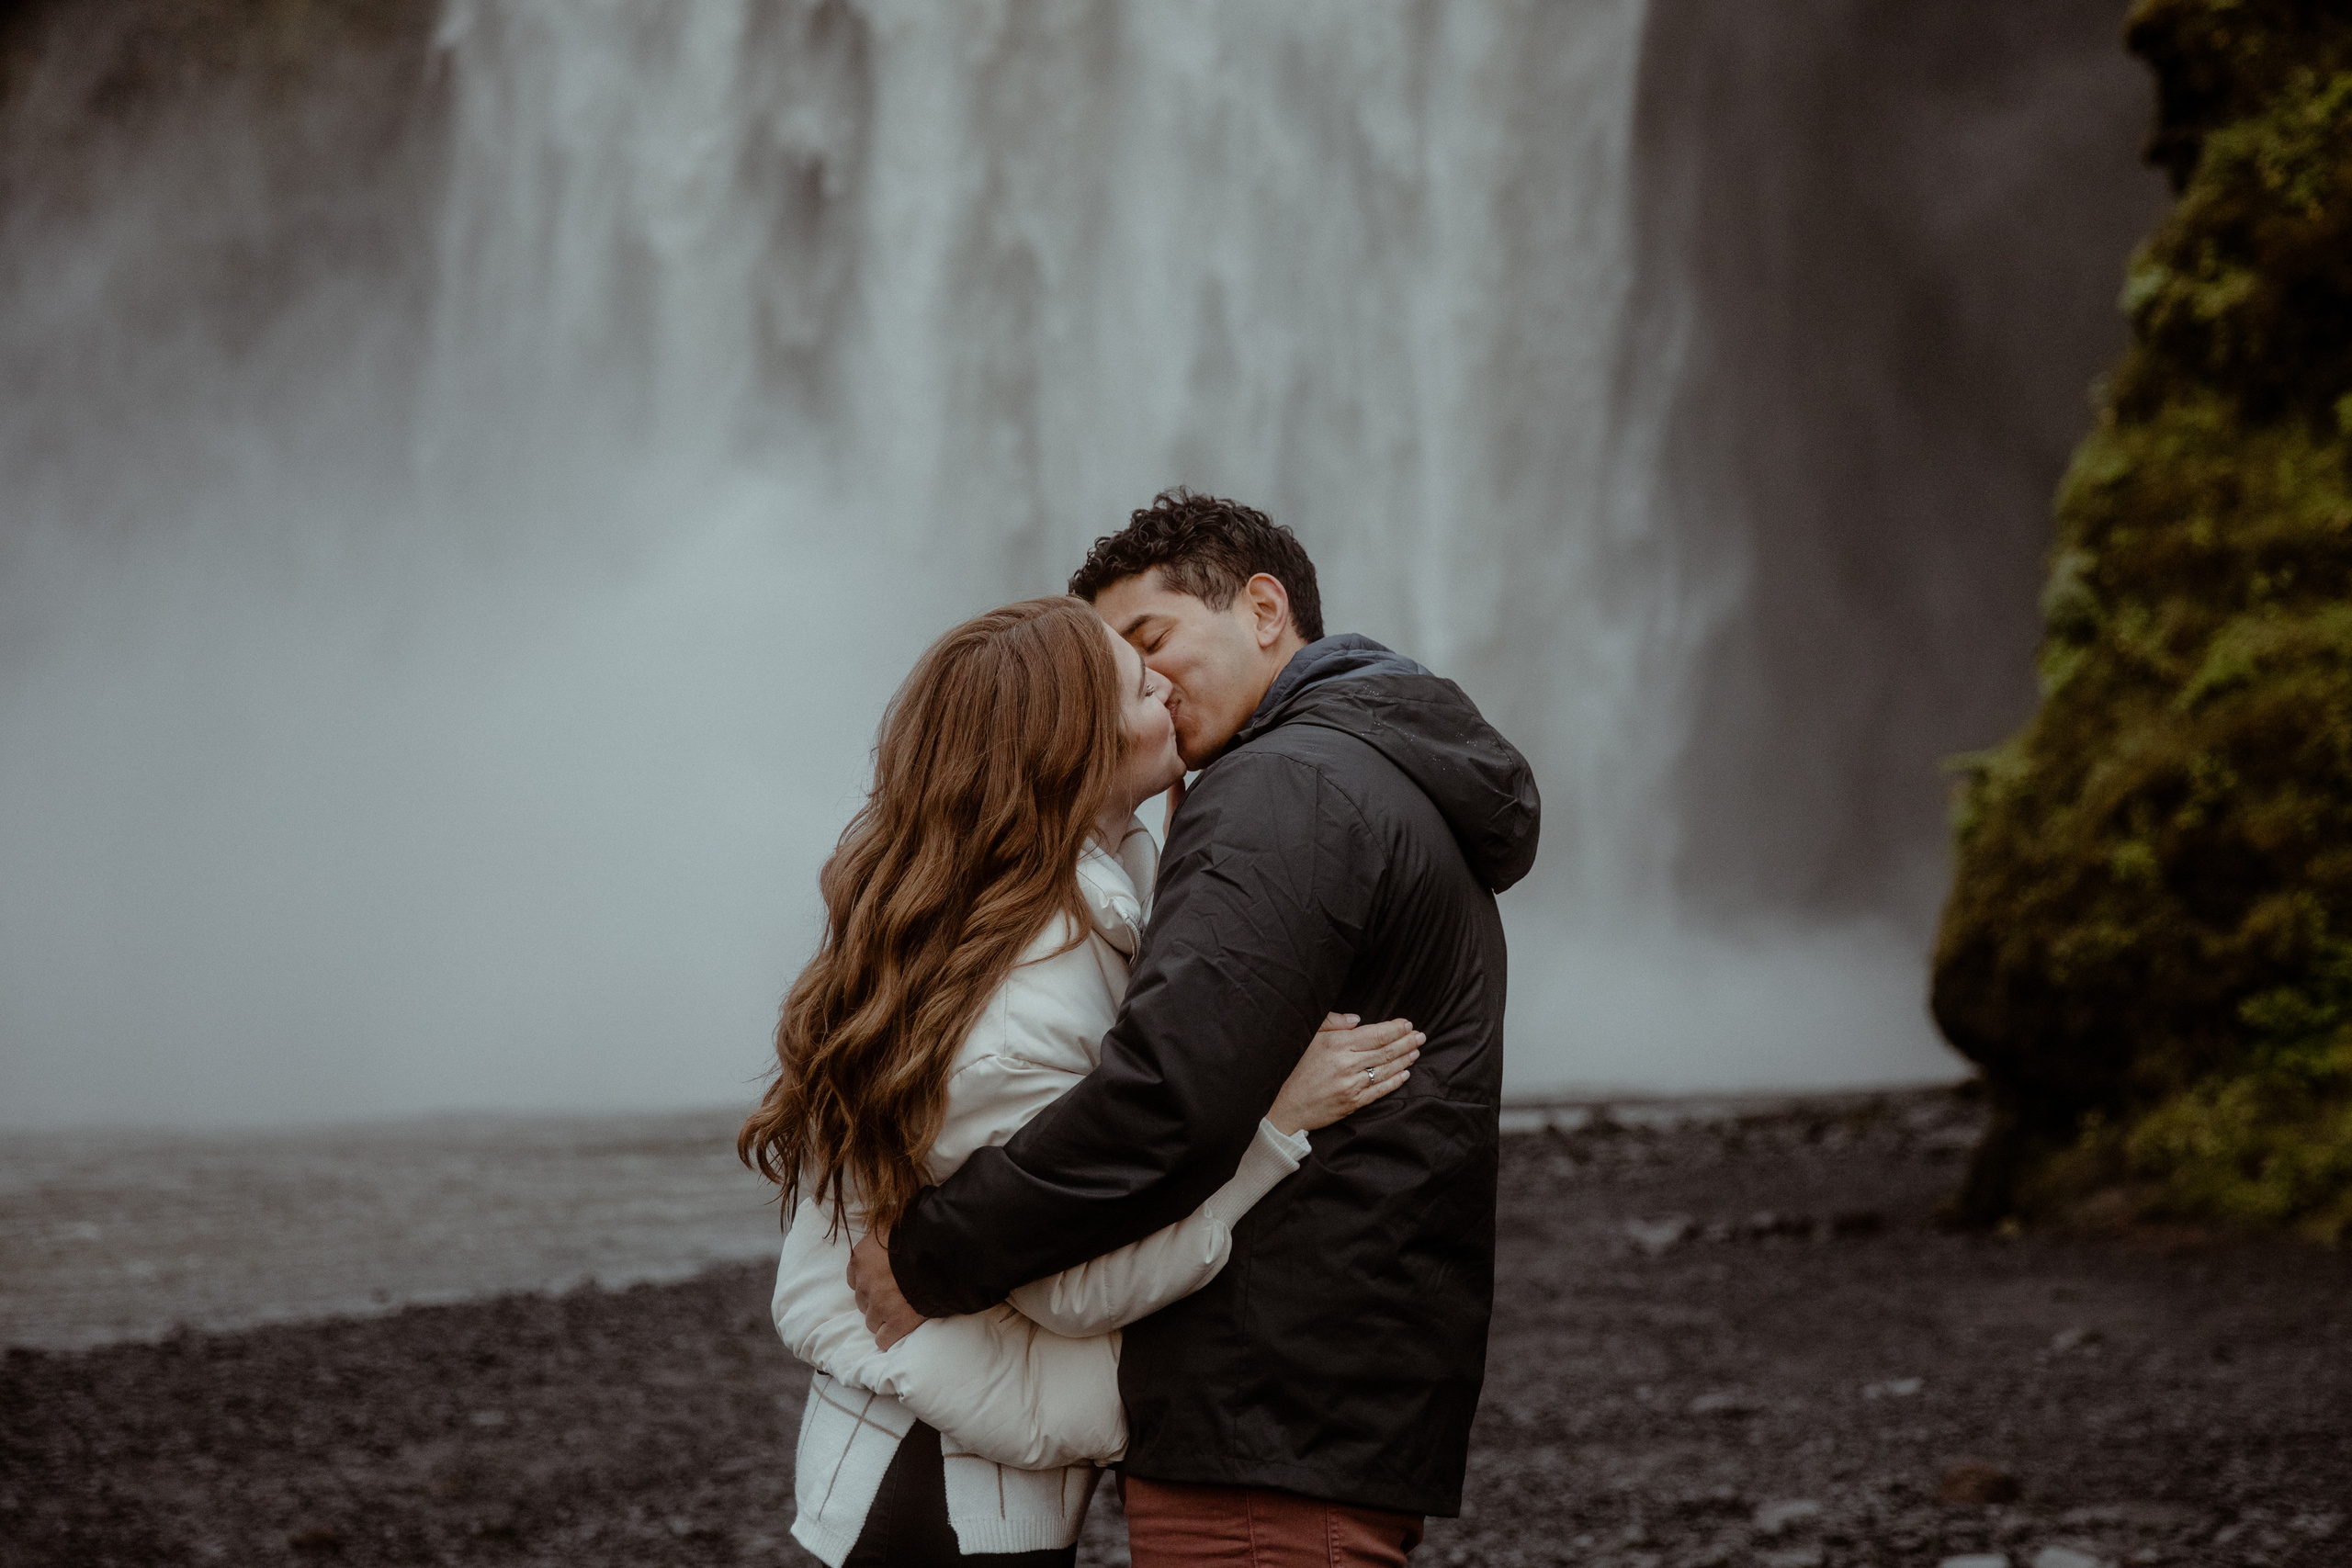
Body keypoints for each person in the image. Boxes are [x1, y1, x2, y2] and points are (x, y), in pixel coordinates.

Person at [850, 491, 1542, 1568]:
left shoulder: (1281, 786)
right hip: (1332, 1392)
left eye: (1150, 639)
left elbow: (1164, 1102)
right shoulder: (1369, 769)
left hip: (1271, 1410)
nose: (1148, 684)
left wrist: (932, 1253)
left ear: (1264, 609)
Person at [740, 595, 1426, 1568]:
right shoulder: (1018, 1003)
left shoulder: (1100, 890)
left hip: (973, 1455)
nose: (1171, 685)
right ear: (1065, 749)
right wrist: (1272, 1128)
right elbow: (1073, 1284)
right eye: (1143, 683)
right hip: (937, 1494)